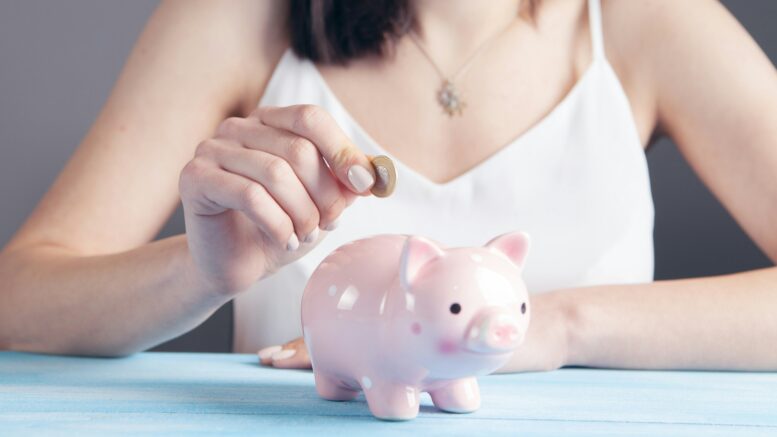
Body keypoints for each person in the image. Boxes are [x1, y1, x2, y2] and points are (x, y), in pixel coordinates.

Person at [1, 0, 776, 373]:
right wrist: (198, 273)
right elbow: (18, 299)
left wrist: (558, 328)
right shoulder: (235, 17)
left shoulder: (647, 20)